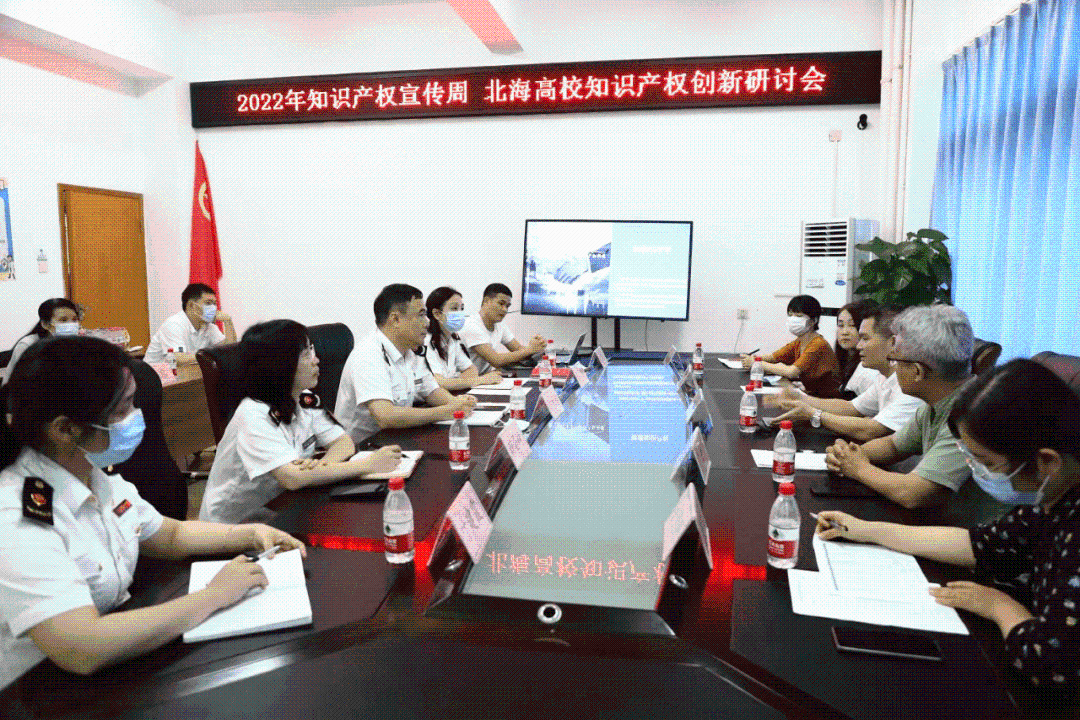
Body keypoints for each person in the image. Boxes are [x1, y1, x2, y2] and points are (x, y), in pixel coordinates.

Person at [0, 336, 306, 688]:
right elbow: (80, 646)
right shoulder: (18, 515)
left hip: (115, 664)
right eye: (123, 409)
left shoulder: (93, 475)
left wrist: (250, 534)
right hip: (41, 690)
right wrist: (214, 596)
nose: (136, 417)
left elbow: (171, 535)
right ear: (65, 430)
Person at [816, 359, 1080, 690]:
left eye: (986, 462)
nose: (978, 471)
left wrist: (998, 606)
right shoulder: (1054, 500)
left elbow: (1050, 663)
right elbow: (978, 545)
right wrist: (865, 530)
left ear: (1046, 462)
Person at [199, 320, 402, 524]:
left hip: (282, 507)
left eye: (312, 350)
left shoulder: (304, 398)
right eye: (306, 355)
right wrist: (369, 465)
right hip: (234, 526)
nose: (316, 360)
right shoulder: (252, 414)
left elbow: (344, 443)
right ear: (280, 366)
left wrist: (319, 467)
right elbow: (292, 478)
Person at [825, 304, 975, 509]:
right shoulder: (936, 401)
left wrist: (858, 468)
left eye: (895, 360)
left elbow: (912, 493)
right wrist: (851, 454)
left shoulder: (971, 414)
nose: (893, 367)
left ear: (917, 372)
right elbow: (893, 446)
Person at [336, 284, 476, 444]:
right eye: (421, 315)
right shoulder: (368, 354)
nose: (427, 322)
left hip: (395, 438)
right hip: (361, 448)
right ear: (395, 319)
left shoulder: (411, 350)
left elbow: (431, 391)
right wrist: (447, 411)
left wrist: (457, 404)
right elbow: (385, 416)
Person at [772, 306, 924, 442]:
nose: (859, 345)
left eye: (865, 338)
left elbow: (872, 430)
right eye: (840, 325)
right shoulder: (883, 376)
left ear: (893, 343)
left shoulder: (911, 383)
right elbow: (851, 407)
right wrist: (800, 398)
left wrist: (813, 414)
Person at [739, 295, 840, 397]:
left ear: (813, 321)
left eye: (799, 316)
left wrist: (756, 363)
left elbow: (791, 372)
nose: (793, 319)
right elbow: (773, 357)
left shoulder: (818, 344)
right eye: (790, 315)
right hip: (813, 396)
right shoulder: (799, 342)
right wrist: (754, 359)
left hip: (827, 400)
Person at [424, 286, 502, 392]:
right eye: (454, 308)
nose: (460, 313)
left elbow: (472, 370)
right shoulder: (426, 342)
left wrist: (453, 383)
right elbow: (438, 382)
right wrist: (480, 380)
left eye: (461, 309)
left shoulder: (453, 340)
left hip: (448, 394)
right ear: (437, 314)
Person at [459, 283, 546, 374]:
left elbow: (518, 349)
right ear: (486, 301)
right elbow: (496, 360)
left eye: (507, 306)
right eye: (501, 304)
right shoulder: (471, 326)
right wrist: (530, 349)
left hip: (484, 378)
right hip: (465, 381)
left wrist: (537, 347)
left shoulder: (499, 324)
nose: (505, 310)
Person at [144, 283, 236, 365]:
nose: (213, 308)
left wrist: (228, 321)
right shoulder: (174, 324)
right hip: (154, 375)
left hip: (182, 374)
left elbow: (229, 350)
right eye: (208, 303)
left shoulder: (209, 326)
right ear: (191, 305)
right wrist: (212, 355)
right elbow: (179, 359)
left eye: (214, 304)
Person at [2, 298, 81, 385]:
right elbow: (22, 383)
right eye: (63, 320)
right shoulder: (28, 345)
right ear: (45, 324)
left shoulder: (75, 344)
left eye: (74, 320)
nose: (71, 324)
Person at [835, 299, 880, 396]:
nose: (845, 332)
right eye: (841, 325)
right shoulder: (842, 361)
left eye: (852, 325)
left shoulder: (868, 370)